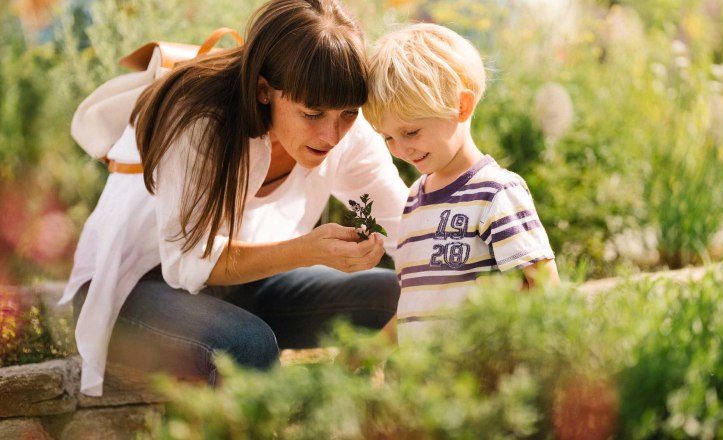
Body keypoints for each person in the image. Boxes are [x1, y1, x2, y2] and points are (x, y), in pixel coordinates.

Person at [59, 0, 408, 396]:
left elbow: (410, 225)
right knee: (247, 344)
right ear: (264, 90)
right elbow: (186, 264)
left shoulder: (349, 131)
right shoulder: (197, 120)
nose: (332, 135)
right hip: (133, 289)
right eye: (312, 114)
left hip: (240, 289)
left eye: (347, 113)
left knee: (395, 295)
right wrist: (307, 250)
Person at [362, 23, 560, 341]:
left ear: (461, 107)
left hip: (481, 379)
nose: (400, 149)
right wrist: (368, 353)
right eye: (388, 138)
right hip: (425, 383)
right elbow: (416, 306)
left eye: (410, 132)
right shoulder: (414, 201)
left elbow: (544, 288)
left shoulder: (496, 192)